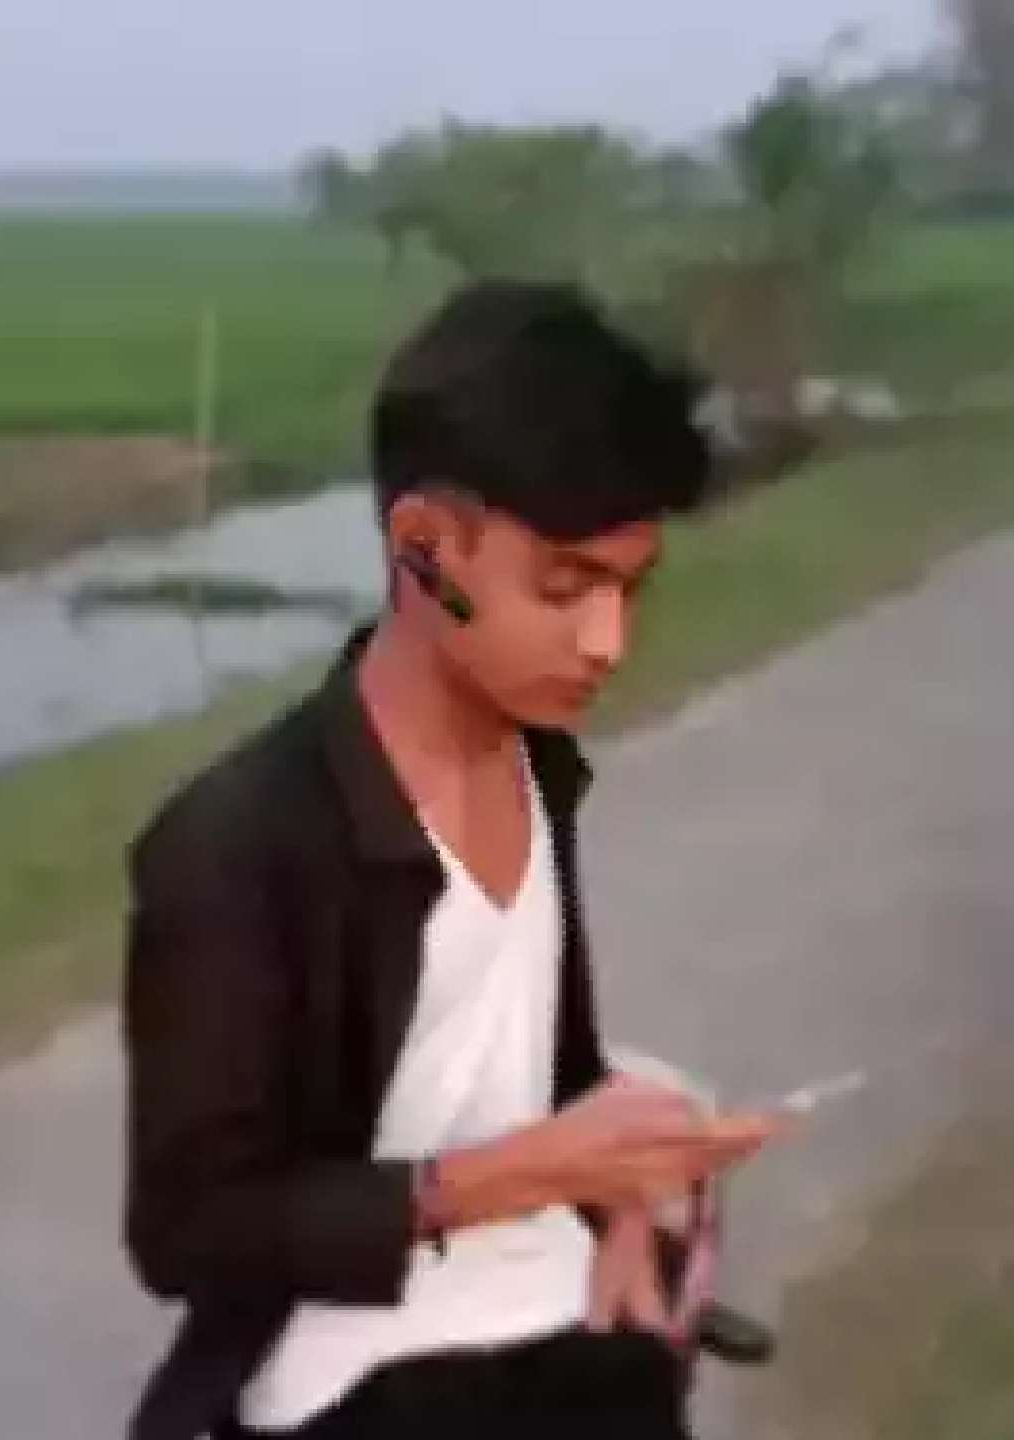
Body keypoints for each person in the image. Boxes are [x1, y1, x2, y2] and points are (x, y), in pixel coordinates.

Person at [121, 280, 777, 1440]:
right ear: (424, 549)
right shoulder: (237, 842)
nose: (609, 643)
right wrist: (521, 1175)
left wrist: (629, 1198)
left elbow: (544, 1070)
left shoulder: (540, 769)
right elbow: (190, 1231)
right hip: (360, 1382)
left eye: (630, 591)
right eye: (565, 590)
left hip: (576, 1328)